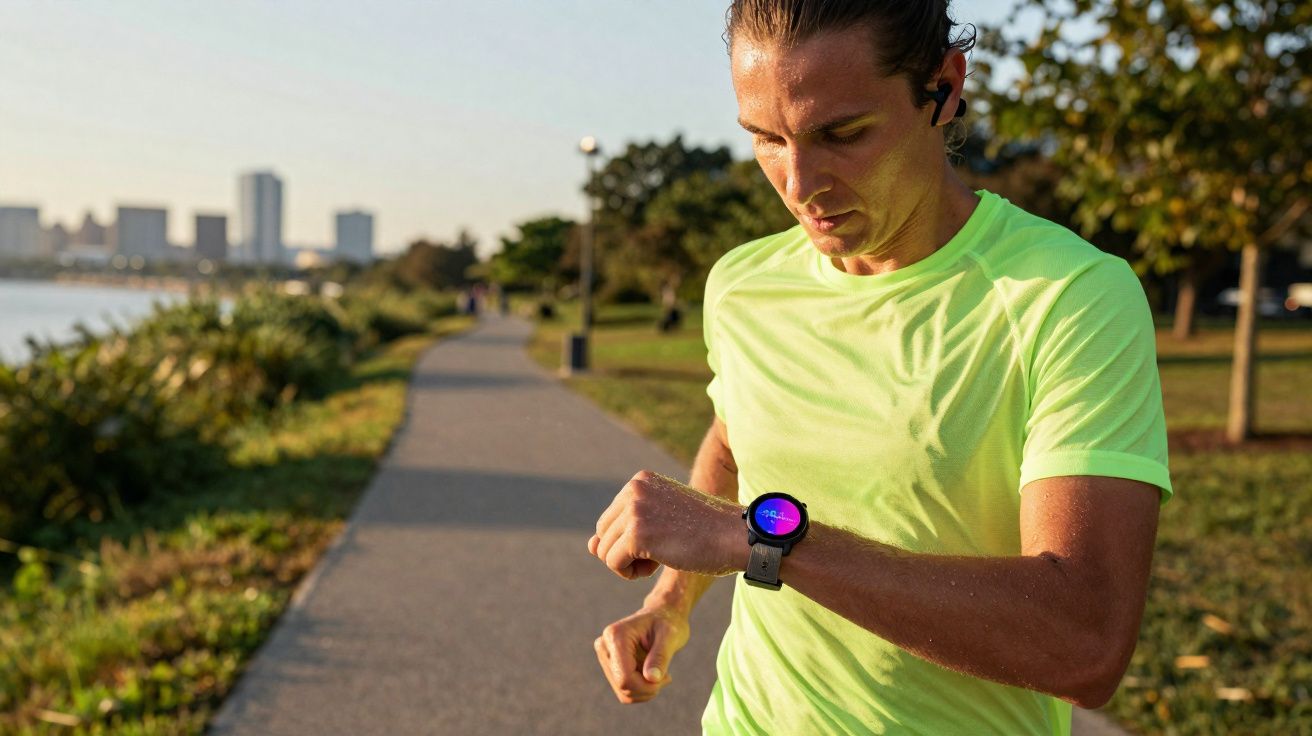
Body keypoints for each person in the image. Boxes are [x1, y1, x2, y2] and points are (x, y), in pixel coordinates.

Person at [586, 2, 1173, 735]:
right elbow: (737, 440)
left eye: (842, 134)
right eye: (766, 138)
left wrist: (760, 541)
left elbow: (1084, 643)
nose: (799, 183)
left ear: (944, 88)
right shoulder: (741, 285)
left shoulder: (1069, 298)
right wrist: (668, 604)